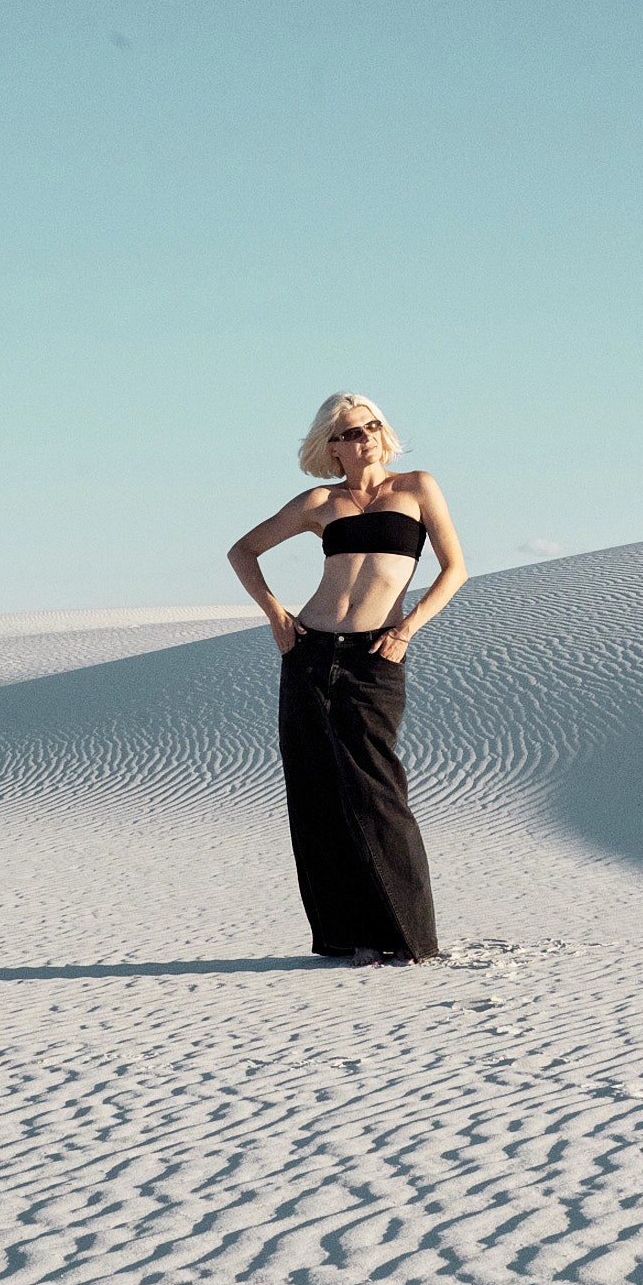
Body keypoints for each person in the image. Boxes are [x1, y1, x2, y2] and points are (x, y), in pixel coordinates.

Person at [227, 392, 467, 964]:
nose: (365, 438)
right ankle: (342, 937)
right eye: (352, 432)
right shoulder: (319, 501)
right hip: (309, 652)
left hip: (374, 655)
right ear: (332, 445)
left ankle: (410, 941)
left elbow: (454, 569)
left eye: (372, 427)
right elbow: (242, 552)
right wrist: (277, 615)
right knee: (315, 793)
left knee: (378, 794)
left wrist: (407, 630)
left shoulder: (416, 487)